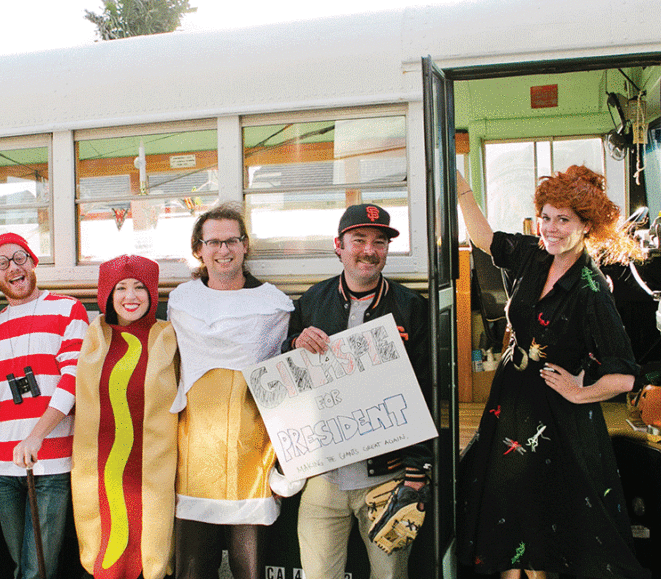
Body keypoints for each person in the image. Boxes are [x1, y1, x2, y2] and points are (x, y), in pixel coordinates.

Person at [456, 166, 647, 579]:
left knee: (543, 518)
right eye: (545, 216)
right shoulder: (533, 253)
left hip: (556, 414)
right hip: (510, 398)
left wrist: (580, 393)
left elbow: (627, 375)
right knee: (505, 506)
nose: (551, 228)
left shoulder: (591, 288)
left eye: (564, 219)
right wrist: (462, 190)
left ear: (586, 226)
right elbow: (485, 240)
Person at [283, 204, 432, 579]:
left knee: (390, 576)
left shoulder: (412, 307)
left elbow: (424, 390)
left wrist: (416, 474)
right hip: (323, 479)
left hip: (388, 477)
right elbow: (286, 379)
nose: (369, 250)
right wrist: (293, 345)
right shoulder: (313, 301)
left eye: (379, 242)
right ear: (339, 245)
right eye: (359, 240)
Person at [0, 232, 89, 579]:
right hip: (3, 465)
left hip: (51, 461)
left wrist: (36, 436)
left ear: (33, 261)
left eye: (20, 257)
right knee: (19, 564)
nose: (14, 268)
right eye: (2, 263)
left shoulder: (68, 309)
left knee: (36, 567)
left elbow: (72, 382)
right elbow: (8, 396)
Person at [167, 203, 294, 579]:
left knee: (249, 569)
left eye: (232, 241)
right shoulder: (181, 302)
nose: (224, 250)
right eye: (214, 242)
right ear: (199, 249)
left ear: (245, 245)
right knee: (192, 569)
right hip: (192, 452)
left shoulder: (273, 305)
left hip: (250, 454)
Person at [71, 255, 179, 579]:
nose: (130, 296)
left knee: (150, 548)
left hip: (152, 469)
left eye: (139, 287)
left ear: (153, 293)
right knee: (105, 547)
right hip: (100, 468)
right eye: (120, 287)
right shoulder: (95, 337)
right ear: (107, 293)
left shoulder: (169, 337)